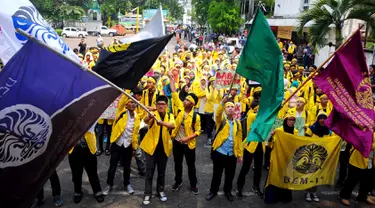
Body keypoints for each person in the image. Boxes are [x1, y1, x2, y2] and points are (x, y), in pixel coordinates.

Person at [168, 73, 201, 194]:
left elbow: (198, 131)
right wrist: (172, 79)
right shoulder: (179, 109)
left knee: (191, 165)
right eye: (185, 99)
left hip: (189, 145)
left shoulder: (195, 117)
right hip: (177, 142)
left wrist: (187, 138)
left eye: (187, 100)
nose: (185, 100)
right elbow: (174, 92)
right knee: (177, 164)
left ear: (192, 104)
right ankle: (178, 181)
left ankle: (193, 184)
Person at [102, 95, 141, 196]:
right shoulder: (121, 112)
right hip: (117, 144)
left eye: (134, 102)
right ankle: (109, 185)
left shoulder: (137, 117)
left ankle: (127, 184)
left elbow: (135, 134)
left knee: (127, 167)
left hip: (128, 145)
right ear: (126, 104)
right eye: (131, 102)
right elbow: (123, 98)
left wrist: (134, 148)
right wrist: (128, 88)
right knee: (113, 166)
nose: (133, 104)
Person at [206, 96, 243, 202]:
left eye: (232, 107)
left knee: (230, 175)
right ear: (225, 110)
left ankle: (228, 191)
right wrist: (222, 102)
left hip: (232, 154)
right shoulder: (220, 120)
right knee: (217, 174)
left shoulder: (238, 123)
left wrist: (240, 154)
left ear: (235, 109)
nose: (230, 108)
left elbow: (239, 139)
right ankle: (213, 191)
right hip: (219, 153)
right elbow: (217, 114)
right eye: (228, 107)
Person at [140, 95, 175, 205]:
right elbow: (145, 121)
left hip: (163, 149)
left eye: (163, 104)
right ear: (156, 105)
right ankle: (147, 194)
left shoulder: (170, 115)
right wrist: (150, 117)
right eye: (159, 104)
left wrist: (162, 123)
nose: (161, 106)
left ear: (166, 106)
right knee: (149, 173)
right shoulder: (152, 114)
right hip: (151, 149)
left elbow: (172, 125)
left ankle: (160, 190)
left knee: (161, 172)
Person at [264, 112, 298, 204]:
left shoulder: (296, 132)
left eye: (293, 120)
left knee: (285, 177)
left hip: (288, 158)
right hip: (277, 158)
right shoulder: (278, 130)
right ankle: (272, 197)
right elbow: (270, 145)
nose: (291, 122)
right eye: (289, 119)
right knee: (275, 176)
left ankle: (284, 197)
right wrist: (271, 135)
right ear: (285, 120)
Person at [68, 131, 104, 204]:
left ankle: (97, 191)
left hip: (89, 148)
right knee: (76, 174)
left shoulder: (87, 119)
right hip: (74, 149)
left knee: (92, 172)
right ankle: (78, 192)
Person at [236, 105, 263, 198]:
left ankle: (256, 186)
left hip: (260, 145)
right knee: (245, 167)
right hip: (250, 145)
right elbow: (255, 124)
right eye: (258, 109)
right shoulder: (251, 116)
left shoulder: (264, 118)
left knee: (258, 168)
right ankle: (239, 187)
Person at [304, 111, 332, 202]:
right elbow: (304, 140)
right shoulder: (311, 128)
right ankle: (308, 192)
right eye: (320, 118)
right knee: (310, 173)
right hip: (311, 154)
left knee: (317, 174)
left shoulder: (328, 130)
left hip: (321, 156)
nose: (322, 120)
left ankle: (314, 192)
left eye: (324, 118)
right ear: (317, 119)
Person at [339, 135, 375, 206]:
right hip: (358, 160)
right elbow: (368, 144)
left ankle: (362, 196)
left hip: (370, 161)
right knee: (352, 180)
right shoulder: (364, 131)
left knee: (366, 181)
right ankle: (344, 196)